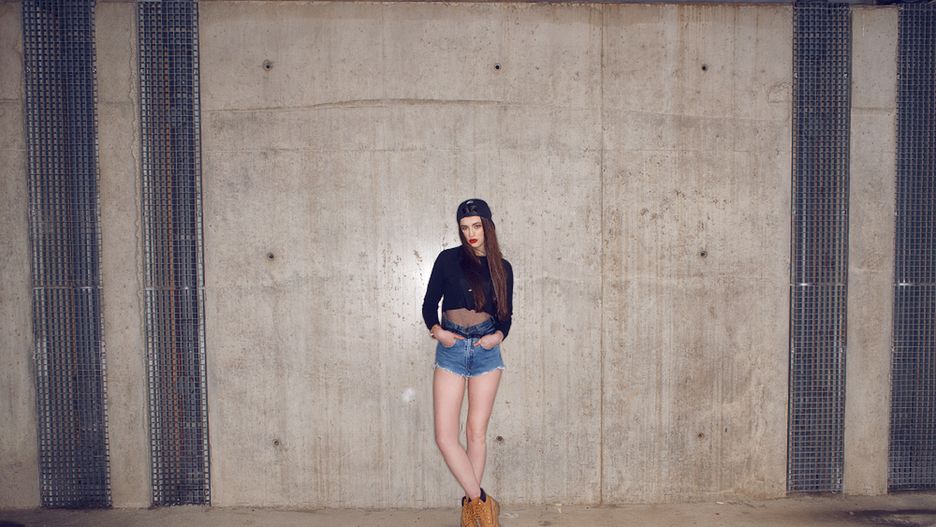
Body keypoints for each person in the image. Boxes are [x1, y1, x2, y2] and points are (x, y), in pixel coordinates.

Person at [422, 198, 514, 527]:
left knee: (476, 433)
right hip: (452, 349)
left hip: (486, 349)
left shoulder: (503, 267)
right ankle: (483, 504)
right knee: (445, 437)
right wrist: (438, 331)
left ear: (487, 226)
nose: (470, 233)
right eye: (464, 227)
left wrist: (498, 336)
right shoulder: (448, 259)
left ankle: (471, 514)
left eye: (476, 226)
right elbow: (429, 304)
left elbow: (506, 316)